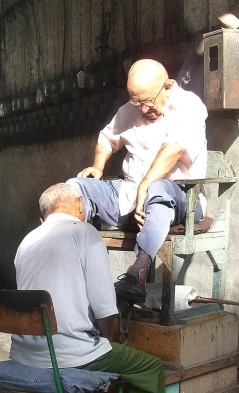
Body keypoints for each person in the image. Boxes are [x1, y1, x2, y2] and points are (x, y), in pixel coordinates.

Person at [11, 183, 175, 393]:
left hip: (25, 355)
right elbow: (105, 307)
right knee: (148, 368)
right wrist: (108, 342)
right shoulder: (85, 233)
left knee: (64, 351)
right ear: (78, 205)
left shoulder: (27, 241)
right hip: (65, 356)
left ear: (43, 219)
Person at [67, 59, 208, 302]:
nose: (142, 109)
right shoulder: (129, 110)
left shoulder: (189, 105)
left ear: (167, 86)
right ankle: (70, 268)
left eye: (148, 102)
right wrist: (98, 167)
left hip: (181, 197)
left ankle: (137, 275)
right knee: (74, 188)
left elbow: (174, 149)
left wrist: (145, 185)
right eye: (137, 102)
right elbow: (107, 137)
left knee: (158, 189)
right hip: (130, 197)